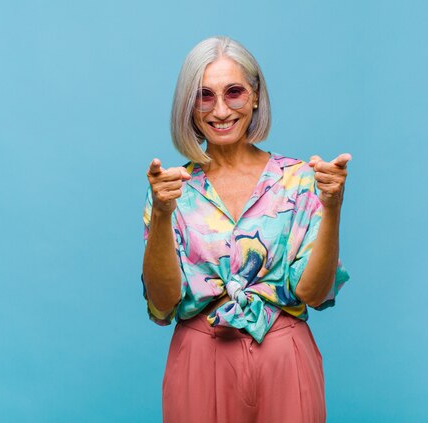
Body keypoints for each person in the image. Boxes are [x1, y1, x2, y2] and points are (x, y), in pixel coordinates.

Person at [140, 35, 352, 423]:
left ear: (255, 96)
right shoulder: (172, 189)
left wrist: (333, 207)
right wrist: (161, 213)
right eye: (204, 96)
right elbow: (162, 304)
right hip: (200, 359)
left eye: (233, 92)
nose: (220, 110)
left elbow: (315, 294)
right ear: (190, 107)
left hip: (284, 358)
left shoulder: (299, 181)